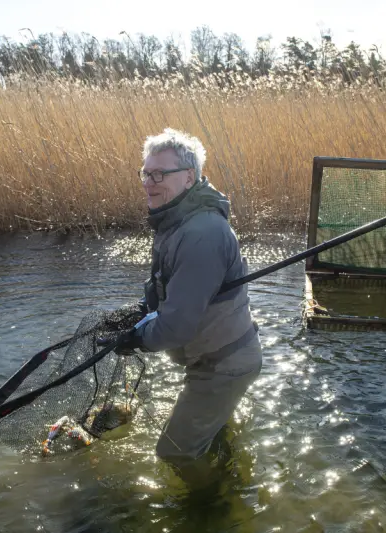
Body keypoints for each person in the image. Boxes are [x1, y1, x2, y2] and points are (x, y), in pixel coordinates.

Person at [116, 127, 263, 476]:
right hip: (212, 360)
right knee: (208, 440)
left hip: (223, 365)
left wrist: (138, 338)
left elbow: (177, 327)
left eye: (160, 174)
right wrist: (140, 312)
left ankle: (214, 512)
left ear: (189, 178)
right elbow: (166, 286)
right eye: (146, 173)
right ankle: (229, 470)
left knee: (174, 453)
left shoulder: (201, 234)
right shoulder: (177, 220)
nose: (150, 182)